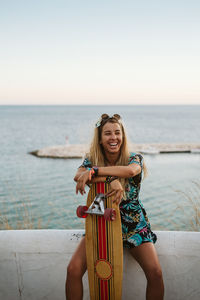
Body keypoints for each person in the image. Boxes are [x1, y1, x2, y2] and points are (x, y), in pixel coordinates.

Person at [65, 113, 164, 300]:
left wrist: (96, 173)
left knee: (155, 273)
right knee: (73, 270)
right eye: (108, 134)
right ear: (100, 139)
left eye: (117, 133)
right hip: (100, 222)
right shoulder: (90, 159)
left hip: (133, 224)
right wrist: (110, 179)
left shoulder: (134, 158)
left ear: (123, 136)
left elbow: (129, 171)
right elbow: (77, 175)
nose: (113, 138)